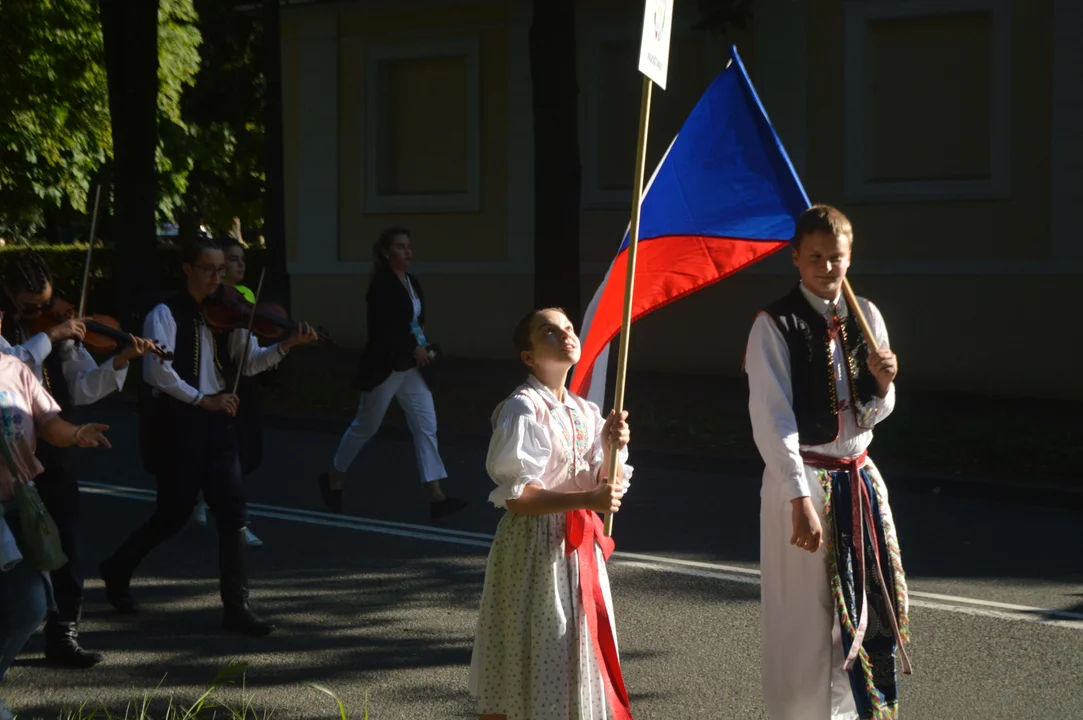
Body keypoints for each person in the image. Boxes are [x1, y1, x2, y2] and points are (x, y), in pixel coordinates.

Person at [99, 237, 318, 636]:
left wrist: (287, 344)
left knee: (233, 513)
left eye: (222, 270)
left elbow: (249, 364)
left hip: (219, 423)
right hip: (179, 423)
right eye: (209, 269)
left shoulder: (231, 313)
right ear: (188, 268)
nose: (218, 277)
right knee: (173, 515)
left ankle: (237, 608)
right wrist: (202, 400)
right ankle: (116, 568)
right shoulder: (164, 313)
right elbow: (155, 374)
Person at [744, 204, 911, 720]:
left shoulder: (866, 313)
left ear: (849, 256)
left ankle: (857, 712)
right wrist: (799, 497)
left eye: (835, 256)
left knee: (866, 607)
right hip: (804, 481)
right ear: (795, 258)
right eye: (814, 256)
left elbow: (870, 414)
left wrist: (884, 386)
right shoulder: (776, 325)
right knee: (806, 618)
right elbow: (772, 418)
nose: (826, 266)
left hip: (857, 478)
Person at [468, 308, 634, 720]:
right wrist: (586, 500)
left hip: (578, 552)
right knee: (535, 651)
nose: (565, 336)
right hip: (534, 549)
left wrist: (613, 447)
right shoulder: (523, 409)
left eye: (568, 328)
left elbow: (601, 481)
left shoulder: (585, 410)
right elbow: (518, 496)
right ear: (528, 356)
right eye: (549, 332)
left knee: (576, 652)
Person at [0, 250, 157, 668]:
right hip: (11, 458)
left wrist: (120, 360)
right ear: (8, 295)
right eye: (29, 306)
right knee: (17, 552)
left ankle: (64, 632)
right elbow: (12, 361)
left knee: (66, 542)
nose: (40, 312)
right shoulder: (8, 332)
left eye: (45, 304)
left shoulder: (59, 327)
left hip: (55, 443)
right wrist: (49, 336)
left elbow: (83, 389)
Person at [317, 228, 465, 521]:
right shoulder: (381, 285)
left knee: (426, 425)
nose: (407, 252)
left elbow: (414, 322)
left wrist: (422, 347)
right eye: (400, 247)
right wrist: (412, 348)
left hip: (410, 369)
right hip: (385, 365)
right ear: (386, 253)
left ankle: (436, 496)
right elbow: (383, 328)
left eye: (409, 246)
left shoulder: (411, 281)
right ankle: (334, 476)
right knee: (366, 426)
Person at [0, 342, 111, 720]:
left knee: (29, 606)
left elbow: (48, 423)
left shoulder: (16, 369)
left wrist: (77, 433)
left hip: (17, 506)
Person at [192, 235, 263, 548]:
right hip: (215, 385)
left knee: (246, 450)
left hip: (239, 379)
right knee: (228, 456)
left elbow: (247, 349)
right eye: (230, 260)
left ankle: (210, 500)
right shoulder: (205, 302)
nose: (238, 265)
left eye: (239, 260)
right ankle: (233, 520)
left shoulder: (243, 295)